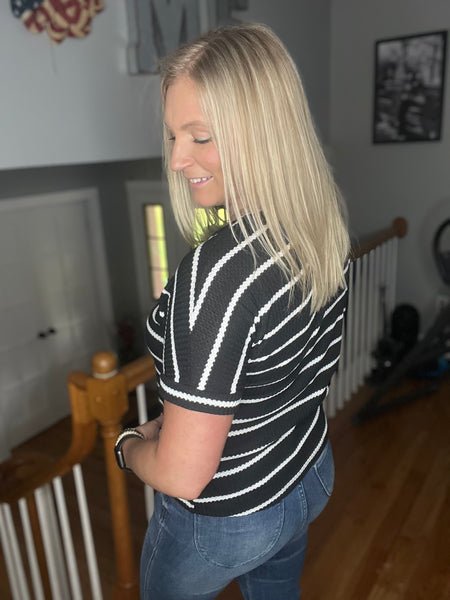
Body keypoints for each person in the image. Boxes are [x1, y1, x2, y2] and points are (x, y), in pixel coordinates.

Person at [115, 23, 350, 600]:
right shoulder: (318, 226)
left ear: (261, 133)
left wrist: (130, 445)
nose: (178, 159)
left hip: (231, 518)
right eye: (173, 136)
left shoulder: (218, 274)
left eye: (199, 136)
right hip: (306, 471)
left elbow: (181, 474)